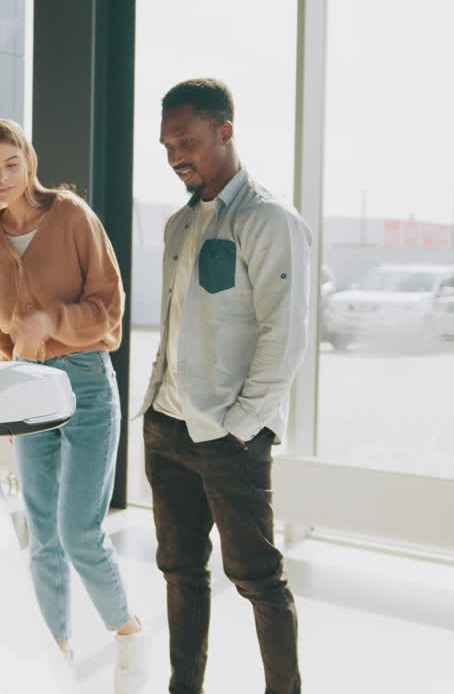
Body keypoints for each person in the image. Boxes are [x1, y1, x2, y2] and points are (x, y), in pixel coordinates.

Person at [0, 118, 145, 692]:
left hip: (86, 384)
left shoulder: (73, 216)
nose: (2, 178)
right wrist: (7, 391)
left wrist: (53, 321)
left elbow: (110, 313)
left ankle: (127, 631)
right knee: (42, 535)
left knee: (79, 532)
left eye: (10, 164)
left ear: (29, 159)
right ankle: (59, 655)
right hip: (27, 389)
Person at [141, 78, 311, 694]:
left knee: (258, 578)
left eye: (185, 140)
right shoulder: (179, 227)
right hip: (166, 424)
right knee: (180, 572)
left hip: (228, 435)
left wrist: (241, 427)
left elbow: (285, 335)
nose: (174, 156)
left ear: (225, 131)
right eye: (166, 145)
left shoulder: (268, 219)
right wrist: (156, 411)